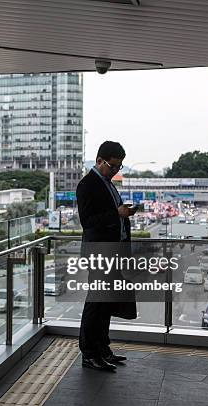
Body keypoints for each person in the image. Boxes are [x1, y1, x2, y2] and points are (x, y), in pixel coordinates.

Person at [76, 141, 137, 371]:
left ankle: (103, 348)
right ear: (99, 160)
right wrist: (117, 213)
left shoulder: (108, 184)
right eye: (112, 166)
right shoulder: (87, 185)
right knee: (96, 303)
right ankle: (89, 353)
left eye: (118, 167)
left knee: (105, 304)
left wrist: (124, 214)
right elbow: (88, 222)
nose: (115, 171)